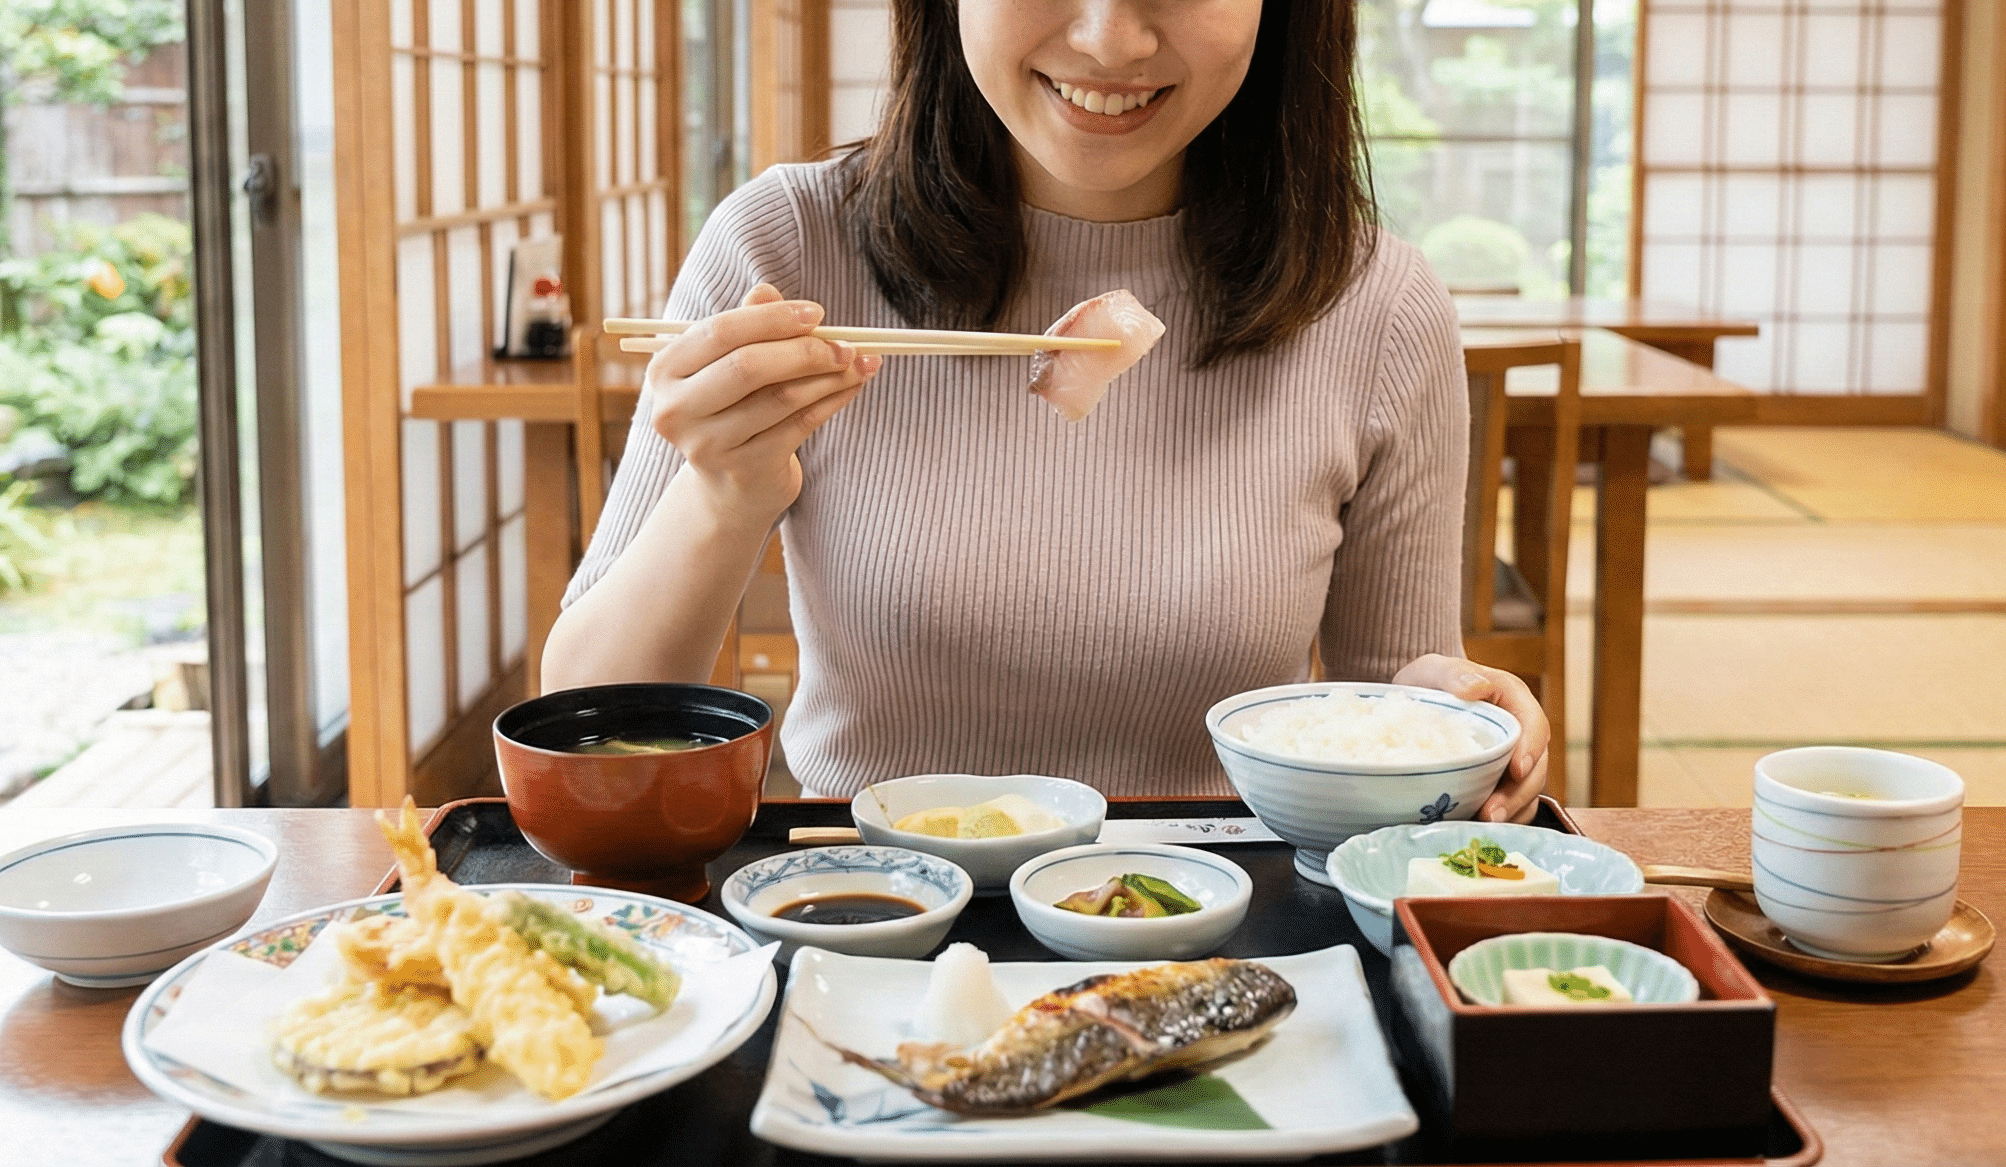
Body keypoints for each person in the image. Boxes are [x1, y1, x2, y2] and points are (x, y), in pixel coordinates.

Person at [543, 0, 1551, 819]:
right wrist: (723, 495)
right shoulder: (786, 248)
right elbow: (577, 715)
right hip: (873, 910)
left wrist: (1452, 705)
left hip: (1222, 911)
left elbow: (1389, 695)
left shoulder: (1374, 302)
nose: (1110, 37)